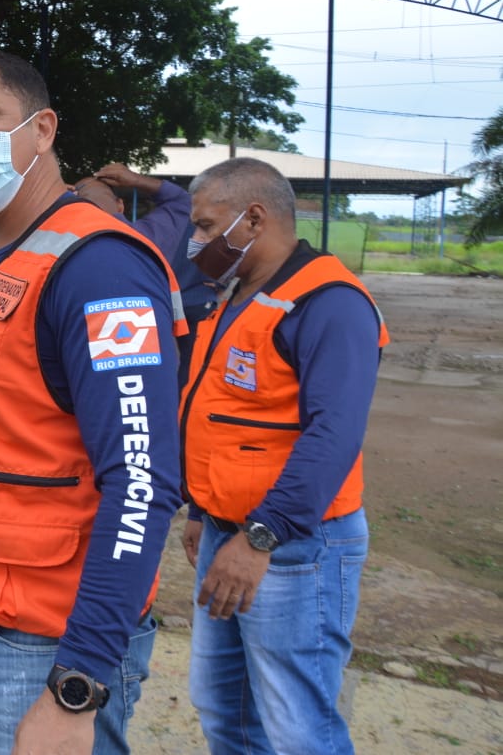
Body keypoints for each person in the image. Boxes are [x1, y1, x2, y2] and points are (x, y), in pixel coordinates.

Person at [0, 49, 186, 755]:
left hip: (45, 646)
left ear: (42, 130)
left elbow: (143, 479)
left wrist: (80, 681)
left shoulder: (97, 267)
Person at [178, 157, 387, 755]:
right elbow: (222, 414)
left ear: (255, 218)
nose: (196, 241)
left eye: (207, 224)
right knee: (226, 711)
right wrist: (201, 510)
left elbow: (334, 436)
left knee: (299, 728)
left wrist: (261, 538)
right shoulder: (241, 293)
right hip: (228, 534)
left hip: (292, 547)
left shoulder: (330, 302)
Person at [75, 162, 217, 382]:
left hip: (107, 355)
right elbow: (183, 201)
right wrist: (135, 179)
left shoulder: (66, 250)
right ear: (120, 205)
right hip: (188, 311)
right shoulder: (154, 233)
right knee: (187, 376)